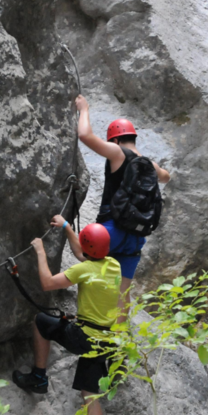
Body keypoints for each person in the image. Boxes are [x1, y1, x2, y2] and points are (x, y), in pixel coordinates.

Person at [12, 217, 122, 415]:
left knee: (41, 321)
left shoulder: (83, 271)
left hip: (84, 338)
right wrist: (66, 227)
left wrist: (40, 251)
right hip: (107, 342)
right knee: (90, 396)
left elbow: (48, 283)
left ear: (88, 251)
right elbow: (83, 252)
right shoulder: (113, 265)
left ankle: (39, 377)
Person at [74, 95, 170, 316]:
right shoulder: (150, 165)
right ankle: (119, 344)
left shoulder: (118, 154)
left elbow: (85, 135)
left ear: (115, 140)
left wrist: (84, 109)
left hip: (111, 230)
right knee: (122, 294)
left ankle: (88, 326)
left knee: (82, 256)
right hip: (136, 235)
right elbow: (167, 177)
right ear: (133, 138)